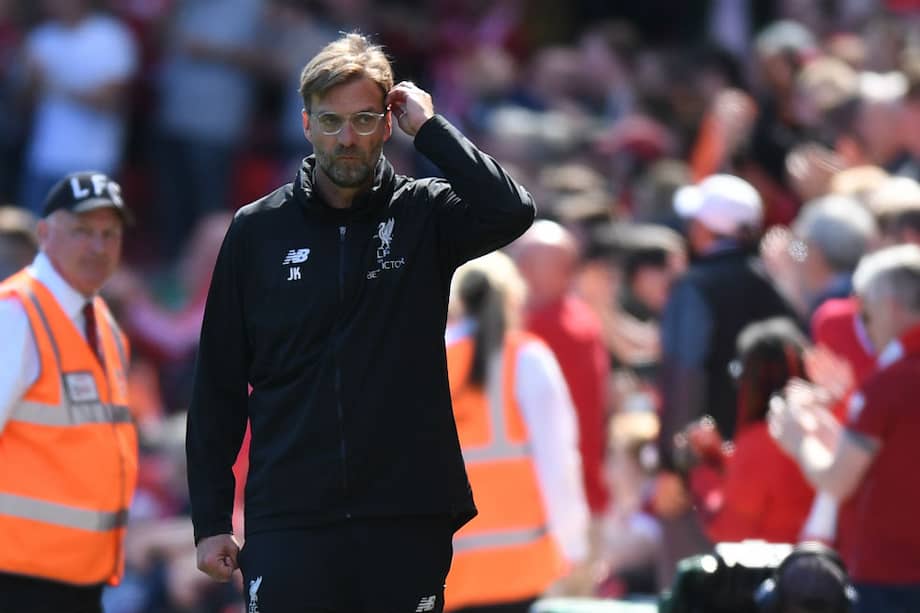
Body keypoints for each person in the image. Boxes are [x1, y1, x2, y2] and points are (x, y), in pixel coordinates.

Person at [186, 32, 536, 613]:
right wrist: (211, 520)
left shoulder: (425, 212)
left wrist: (430, 129)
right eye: (331, 121)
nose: (346, 137)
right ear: (305, 124)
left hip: (406, 514)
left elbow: (512, 210)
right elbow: (219, 385)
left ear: (387, 122)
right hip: (288, 517)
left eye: (364, 119)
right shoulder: (255, 230)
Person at [0, 171, 136, 613]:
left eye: (109, 233)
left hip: (81, 580)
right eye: (81, 231)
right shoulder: (15, 313)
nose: (98, 246)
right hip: (17, 579)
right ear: (44, 233)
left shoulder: (102, 320)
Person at [770, 244, 920, 613]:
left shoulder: (892, 382)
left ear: (891, 307)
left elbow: (838, 479)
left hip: (891, 579)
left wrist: (799, 439)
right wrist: (830, 435)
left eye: (865, 315)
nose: (863, 326)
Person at [444, 251, 589, 612]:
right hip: (521, 567)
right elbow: (559, 460)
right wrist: (573, 543)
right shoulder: (528, 358)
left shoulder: (429, 358)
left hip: (450, 570)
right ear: (513, 298)